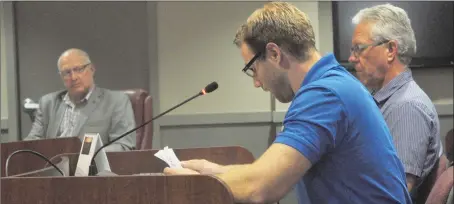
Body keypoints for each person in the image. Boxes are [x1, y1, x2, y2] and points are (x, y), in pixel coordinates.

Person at [164, 2, 412, 203]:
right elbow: (260, 175)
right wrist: (212, 171)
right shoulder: (333, 84)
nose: (257, 82)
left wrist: (193, 183)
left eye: (252, 69)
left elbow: (260, 188)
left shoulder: (324, 95)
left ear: (274, 53)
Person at [348, 4, 442, 196]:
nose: (351, 58)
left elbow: (391, 196)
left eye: (359, 49)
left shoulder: (406, 107)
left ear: (390, 50)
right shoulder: (388, 101)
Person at [24, 48, 136, 152]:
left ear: (92, 69)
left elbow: (124, 145)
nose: (74, 77)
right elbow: (32, 143)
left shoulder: (115, 101)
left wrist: (86, 155)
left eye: (79, 69)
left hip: (92, 169)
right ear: (61, 77)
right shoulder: (48, 103)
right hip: (53, 167)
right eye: (67, 73)